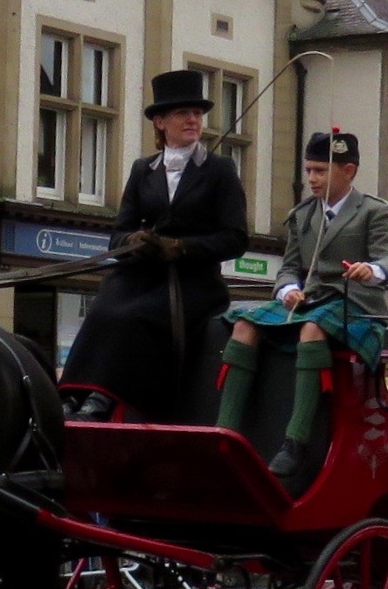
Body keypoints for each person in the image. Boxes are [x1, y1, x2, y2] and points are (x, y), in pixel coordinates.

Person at [60, 69, 250, 423]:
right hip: (141, 274)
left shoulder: (220, 170)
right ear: (161, 122)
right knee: (102, 309)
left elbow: (235, 238)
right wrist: (135, 241)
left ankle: (105, 397)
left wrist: (179, 247)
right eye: (182, 113)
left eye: (196, 113)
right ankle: (75, 392)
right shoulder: (142, 169)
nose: (193, 119)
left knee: (132, 315)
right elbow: (118, 233)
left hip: (191, 283)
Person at [217, 131, 388, 487]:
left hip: (356, 306)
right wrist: (288, 289)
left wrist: (373, 270)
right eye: (309, 170)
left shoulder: (374, 212)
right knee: (242, 323)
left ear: (348, 171)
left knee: (312, 328)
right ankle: (224, 431)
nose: (312, 179)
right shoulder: (302, 214)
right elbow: (289, 267)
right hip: (312, 302)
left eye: (320, 170)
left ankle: (296, 441)